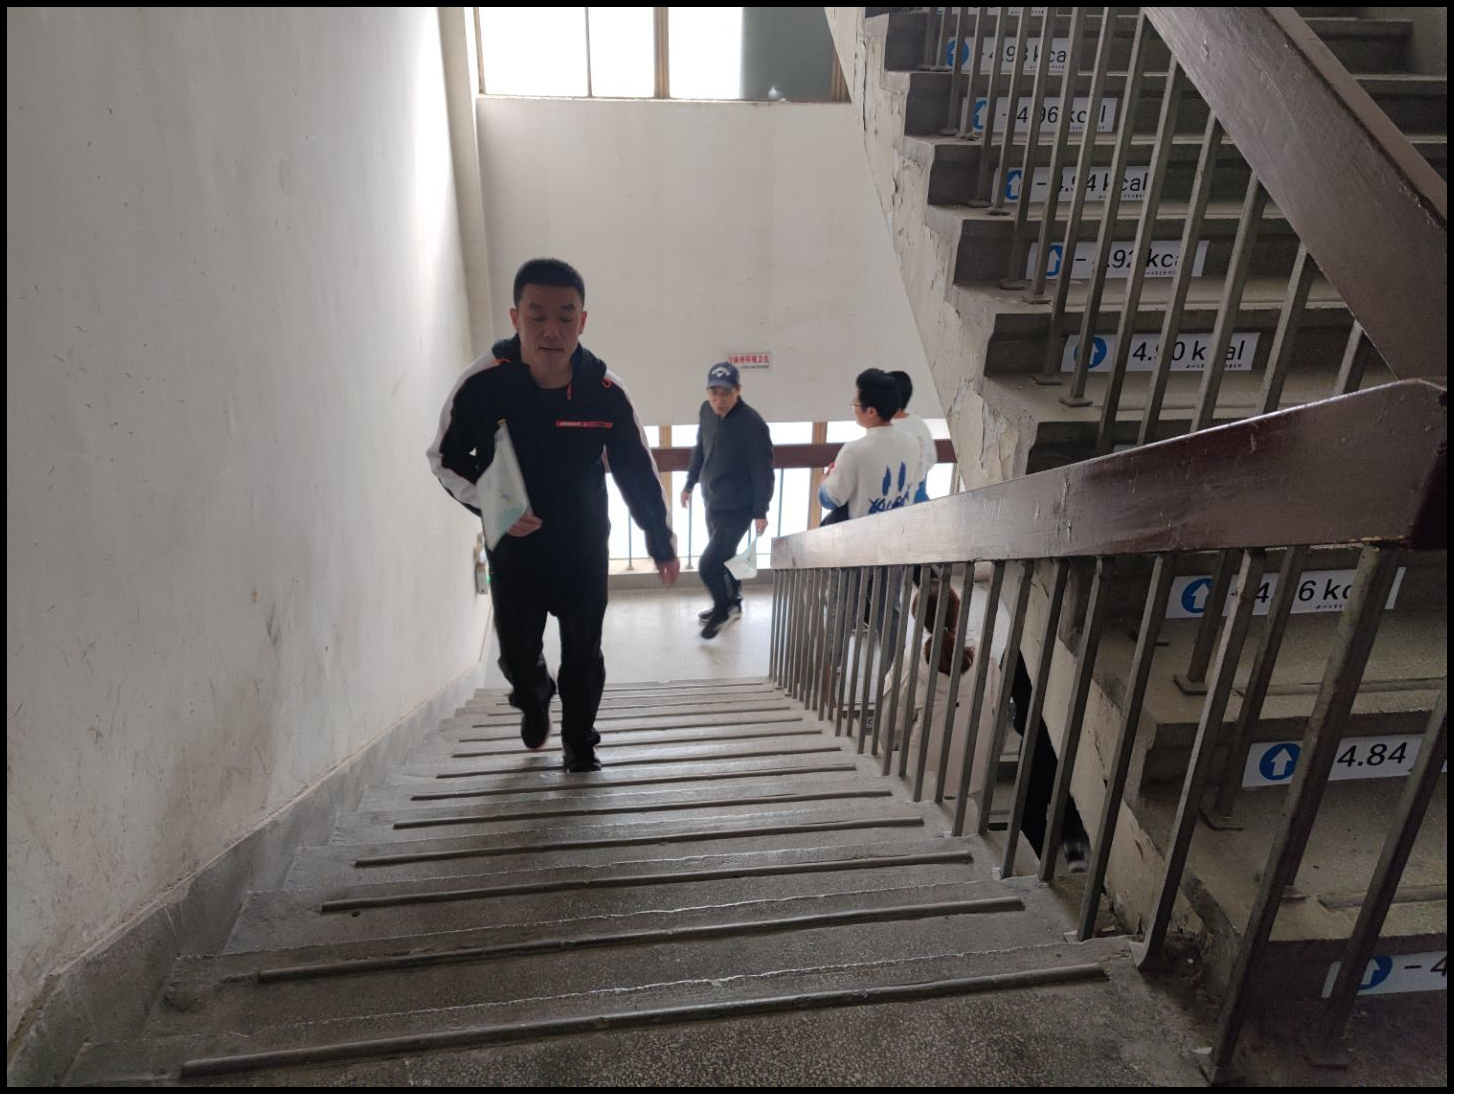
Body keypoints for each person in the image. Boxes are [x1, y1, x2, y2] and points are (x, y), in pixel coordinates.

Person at [428, 258, 679, 773]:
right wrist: (491, 503)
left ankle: (579, 742)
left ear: (582, 321)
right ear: (515, 316)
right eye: (537, 315)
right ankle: (534, 694)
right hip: (513, 555)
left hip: (582, 552)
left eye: (566, 317)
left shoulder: (604, 392)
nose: (551, 330)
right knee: (517, 655)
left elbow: (637, 471)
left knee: (584, 654)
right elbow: (444, 458)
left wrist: (660, 541)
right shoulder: (482, 384)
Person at [818, 369, 924, 720]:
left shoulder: (855, 451)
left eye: (856, 403)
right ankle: (893, 686)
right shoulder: (912, 443)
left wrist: (826, 479)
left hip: (855, 548)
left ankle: (829, 686)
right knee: (889, 614)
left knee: (840, 612)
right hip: (895, 544)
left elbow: (832, 498)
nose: (854, 408)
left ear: (871, 411)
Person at [681, 362, 775, 639]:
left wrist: (760, 510)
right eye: (714, 393)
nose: (718, 400)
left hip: (738, 509)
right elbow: (701, 449)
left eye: (725, 393)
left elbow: (763, 471)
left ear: (738, 390)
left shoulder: (752, 424)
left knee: (709, 565)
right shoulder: (706, 411)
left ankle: (722, 609)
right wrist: (689, 483)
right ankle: (733, 603)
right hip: (713, 501)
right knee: (728, 557)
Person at [888, 370, 937, 505]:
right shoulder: (919, 423)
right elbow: (931, 458)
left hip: (893, 500)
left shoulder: (884, 428)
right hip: (920, 497)